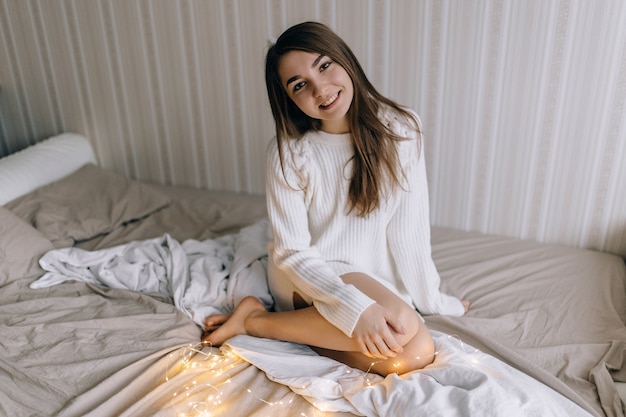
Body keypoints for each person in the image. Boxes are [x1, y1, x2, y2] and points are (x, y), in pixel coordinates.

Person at [203, 21, 469, 377]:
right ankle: (258, 319)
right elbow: (292, 252)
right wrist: (353, 307)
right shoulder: (289, 154)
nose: (321, 89)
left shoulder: (403, 128)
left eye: (324, 65)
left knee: (412, 355)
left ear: (345, 59)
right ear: (289, 98)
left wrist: (434, 301)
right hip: (309, 275)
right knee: (406, 331)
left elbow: (410, 231)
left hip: (368, 273)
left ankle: (257, 320)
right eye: (300, 85)